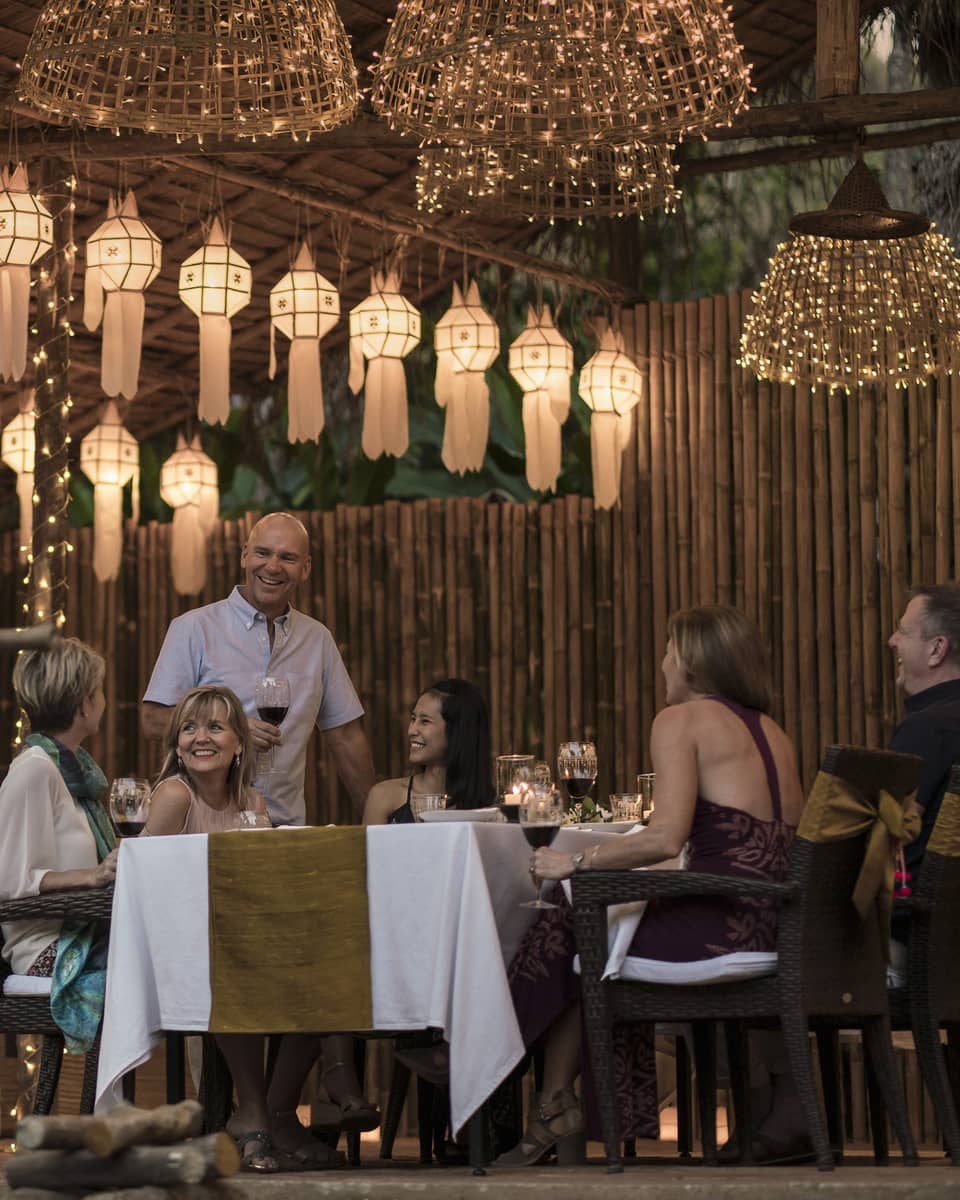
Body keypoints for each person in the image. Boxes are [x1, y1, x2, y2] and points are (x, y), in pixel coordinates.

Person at [496, 605, 805, 1166]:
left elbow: (665, 838)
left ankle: (495, 1061)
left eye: (667, 649)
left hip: (719, 928)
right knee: (580, 921)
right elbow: (732, 851)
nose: (662, 663)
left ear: (689, 660)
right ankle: (553, 1095)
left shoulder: (680, 721)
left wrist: (577, 862)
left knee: (568, 916)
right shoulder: (773, 731)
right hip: (772, 924)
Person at [142, 685, 348, 1173]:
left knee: (330, 974)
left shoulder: (252, 802)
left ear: (239, 742)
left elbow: (264, 885)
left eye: (215, 727)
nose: (199, 738)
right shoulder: (175, 796)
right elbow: (145, 886)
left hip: (244, 939)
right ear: (175, 744)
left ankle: (271, 1111)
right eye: (188, 728)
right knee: (238, 966)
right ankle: (256, 1114)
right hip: (183, 946)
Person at [141, 511, 375, 826]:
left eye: (288, 557)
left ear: (305, 568)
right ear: (244, 555)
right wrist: (233, 726)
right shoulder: (194, 629)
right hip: (208, 827)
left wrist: (380, 825)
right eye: (263, 553)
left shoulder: (317, 639)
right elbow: (153, 720)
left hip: (285, 824)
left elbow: (346, 736)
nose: (273, 567)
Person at [0, 639, 118, 1056]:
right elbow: (10, 881)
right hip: (47, 948)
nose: (105, 701)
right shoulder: (34, 770)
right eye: (100, 691)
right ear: (84, 705)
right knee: (160, 974)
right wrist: (93, 875)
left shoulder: (74, 773)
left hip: (83, 932)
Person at [887, 583, 960, 953]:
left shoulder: (928, 728)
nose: (891, 640)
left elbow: (891, 834)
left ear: (936, 650)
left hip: (912, 937)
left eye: (903, 630)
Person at [363, 678, 494, 825]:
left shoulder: (491, 807)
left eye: (425, 721)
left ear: (457, 732)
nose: (411, 731)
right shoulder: (384, 797)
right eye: (413, 719)